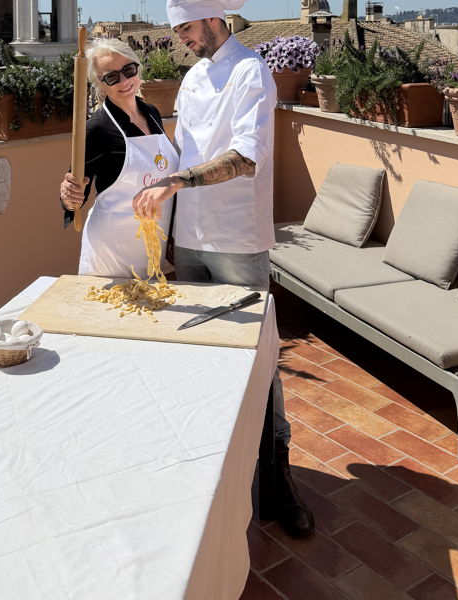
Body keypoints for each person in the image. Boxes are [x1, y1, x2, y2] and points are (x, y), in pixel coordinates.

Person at [132, 0, 315, 538]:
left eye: (186, 27)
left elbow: (248, 155)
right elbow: (180, 150)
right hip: (189, 236)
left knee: (258, 358)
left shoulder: (251, 71)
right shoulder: (190, 80)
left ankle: (278, 475)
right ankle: (212, 464)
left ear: (214, 19)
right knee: (199, 352)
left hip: (237, 238)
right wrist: (168, 228)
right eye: (176, 30)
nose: (181, 39)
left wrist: (180, 183)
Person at [59, 37, 179, 278]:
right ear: (101, 85)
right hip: (112, 253)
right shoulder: (96, 129)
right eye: (112, 77)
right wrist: (68, 195)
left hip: (154, 245)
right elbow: (74, 194)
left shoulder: (153, 113)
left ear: (137, 68)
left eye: (128, 70)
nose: (124, 81)